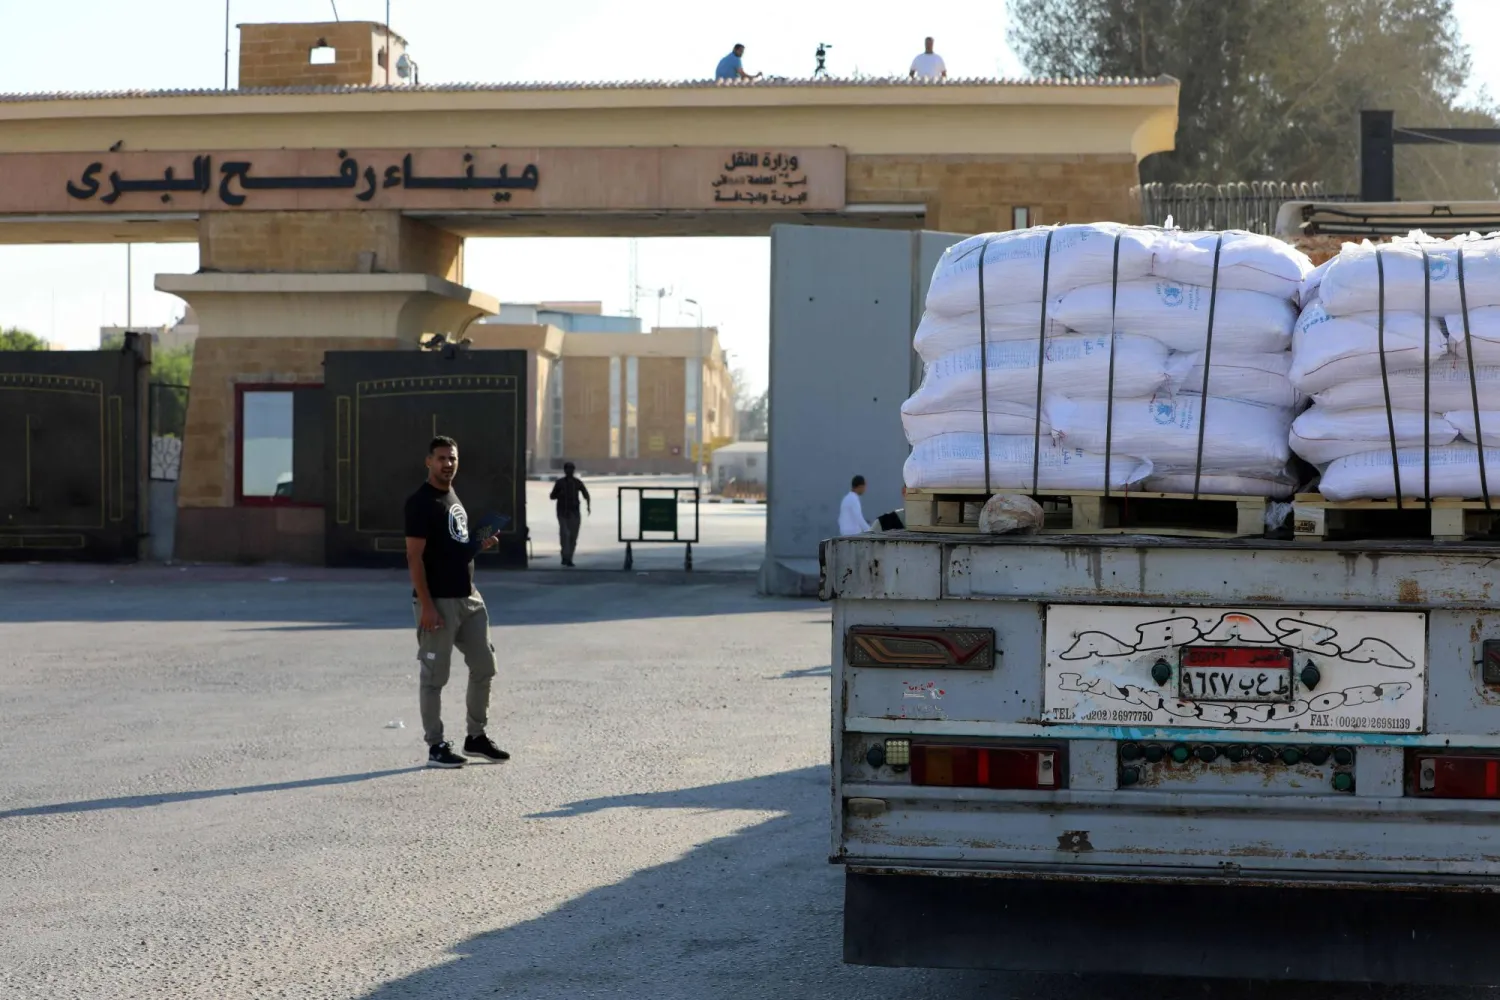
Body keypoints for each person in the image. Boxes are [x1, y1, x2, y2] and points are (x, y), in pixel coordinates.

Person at [404, 435, 509, 769]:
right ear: (428, 462)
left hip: (468, 598)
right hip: (439, 601)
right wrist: (427, 605)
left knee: (484, 666)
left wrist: (479, 545)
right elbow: (414, 558)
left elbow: (453, 546)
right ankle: (435, 746)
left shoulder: (451, 495)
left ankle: (475, 737)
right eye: (441, 458)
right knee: (434, 676)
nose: (447, 464)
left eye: (452, 458)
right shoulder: (420, 502)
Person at [550, 462, 592, 568]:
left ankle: (569, 558)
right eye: (568, 469)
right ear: (565, 470)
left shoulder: (577, 483)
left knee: (573, 536)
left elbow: (586, 494)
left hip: (574, 512)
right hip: (562, 512)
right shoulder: (559, 483)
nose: (570, 471)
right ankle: (565, 556)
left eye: (572, 469)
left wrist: (588, 506)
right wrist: (560, 494)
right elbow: (552, 496)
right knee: (565, 534)